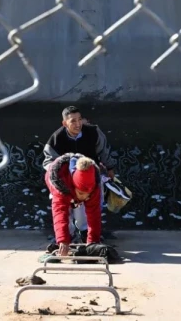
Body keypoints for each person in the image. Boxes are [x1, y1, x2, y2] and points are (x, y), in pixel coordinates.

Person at [42, 106, 116, 241]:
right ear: (65, 123)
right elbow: (49, 162)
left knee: (92, 207)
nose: (78, 124)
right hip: (65, 181)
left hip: (90, 178)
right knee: (63, 208)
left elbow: (103, 152)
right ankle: (66, 235)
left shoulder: (94, 132)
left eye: (79, 119)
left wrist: (110, 168)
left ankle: (86, 232)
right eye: (73, 121)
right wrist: (59, 178)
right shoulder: (56, 139)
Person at [45, 154, 102, 256]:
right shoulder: (60, 184)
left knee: (82, 214)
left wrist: (92, 242)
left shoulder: (94, 188)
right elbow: (59, 213)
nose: (84, 197)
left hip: (75, 191)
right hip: (62, 189)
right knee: (66, 215)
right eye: (81, 193)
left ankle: (84, 233)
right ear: (73, 186)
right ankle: (68, 236)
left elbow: (94, 215)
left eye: (87, 194)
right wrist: (63, 239)